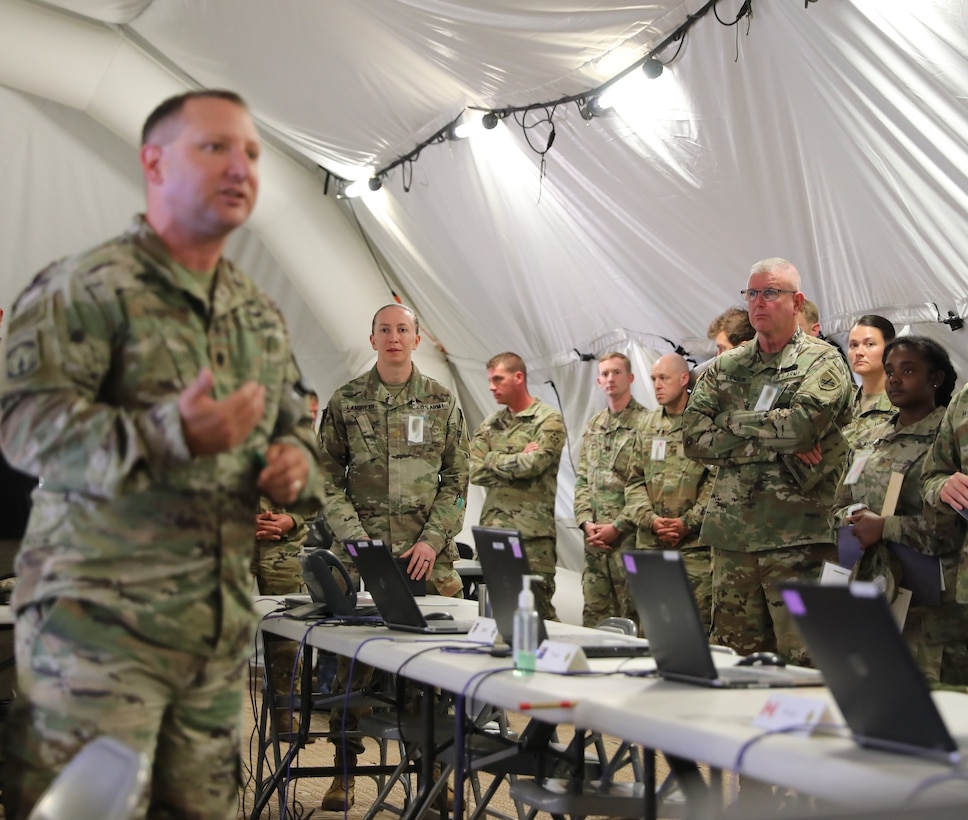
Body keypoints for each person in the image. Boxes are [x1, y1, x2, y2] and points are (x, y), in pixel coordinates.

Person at [0, 89, 320, 820]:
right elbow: (24, 426)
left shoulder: (258, 314)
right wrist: (169, 434)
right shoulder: (83, 287)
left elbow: (292, 425)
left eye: (252, 153)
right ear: (153, 161)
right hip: (96, 632)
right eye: (215, 147)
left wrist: (294, 467)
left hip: (212, 634)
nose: (241, 167)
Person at [317, 302, 468, 809]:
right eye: (386, 330)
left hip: (426, 559)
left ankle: (436, 775)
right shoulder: (345, 401)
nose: (395, 337)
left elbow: (457, 483)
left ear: (416, 338)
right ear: (373, 338)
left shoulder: (442, 401)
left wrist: (431, 539)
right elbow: (325, 479)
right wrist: (356, 540)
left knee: (435, 675)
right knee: (349, 668)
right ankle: (344, 771)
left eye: (403, 329)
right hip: (362, 559)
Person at [683, 257, 853, 664]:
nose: (759, 302)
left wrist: (727, 422)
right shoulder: (726, 366)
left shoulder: (822, 361)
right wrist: (772, 436)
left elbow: (800, 429)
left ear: (796, 302)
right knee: (734, 663)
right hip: (733, 539)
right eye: (752, 293)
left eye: (770, 292)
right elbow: (692, 438)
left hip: (799, 540)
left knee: (807, 662)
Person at [831, 336, 963, 683]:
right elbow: (839, 503)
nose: (894, 379)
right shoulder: (869, 437)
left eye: (908, 370)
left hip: (928, 604)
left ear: (935, 378)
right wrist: (849, 523)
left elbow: (949, 529)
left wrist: (885, 527)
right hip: (870, 590)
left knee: (930, 701)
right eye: (890, 371)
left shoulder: (946, 439)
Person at [470, 352, 566, 621]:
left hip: (531, 539)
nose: (491, 386)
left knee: (538, 614)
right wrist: (516, 458)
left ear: (518, 377)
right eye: (489, 380)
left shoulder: (547, 420)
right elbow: (473, 469)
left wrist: (493, 460)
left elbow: (534, 464)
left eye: (498, 379)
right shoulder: (491, 424)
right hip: (493, 535)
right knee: (494, 614)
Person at [626, 353, 713, 633]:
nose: (657, 385)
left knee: (694, 628)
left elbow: (717, 483)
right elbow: (633, 481)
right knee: (652, 629)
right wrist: (650, 520)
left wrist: (687, 523)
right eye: (653, 379)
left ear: (684, 378)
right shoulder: (646, 425)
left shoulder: (704, 425)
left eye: (664, 377)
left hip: (693, 551)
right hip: (651, 546)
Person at [573, 352, 651, 628]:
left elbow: (647, 486)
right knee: (595, 616)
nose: (610, 379)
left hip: (628, 539)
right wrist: (585, 522)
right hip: (594, 540)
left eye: (616, 372)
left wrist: (617, 526)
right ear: (598, 381)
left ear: (629, 378)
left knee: (633, 614)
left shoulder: (646, 423)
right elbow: (582, 478)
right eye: (605, 374)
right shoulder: (594, 425)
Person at [843, 314, 897, 445]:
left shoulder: (903, 407)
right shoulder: (841, 405)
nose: (859, 352)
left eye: (870, 344)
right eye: (853, 345)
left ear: (890, 349)